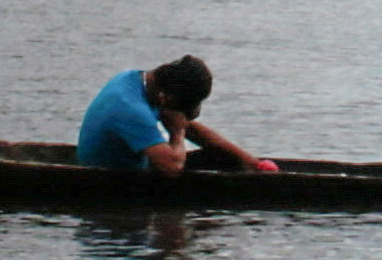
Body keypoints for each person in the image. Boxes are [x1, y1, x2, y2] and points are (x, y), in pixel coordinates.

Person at [74, 53, 262, 177]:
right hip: (114, 179)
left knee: (223, 156)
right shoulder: (131, 109)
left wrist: (251, 163)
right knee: (218, 163)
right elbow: (172, 168)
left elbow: (187, 125)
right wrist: (177, 132)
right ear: (166, 98)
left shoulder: (137, 80)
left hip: (130, 164)